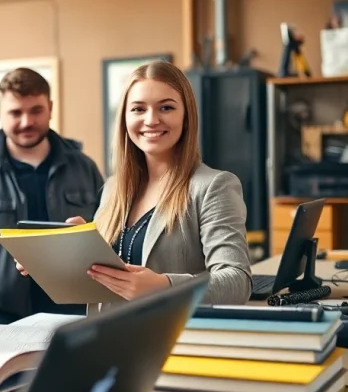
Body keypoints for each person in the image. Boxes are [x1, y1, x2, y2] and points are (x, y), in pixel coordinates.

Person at [20, 61, 252, 307]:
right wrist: (63, 255)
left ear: (186, 115)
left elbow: (236, 283)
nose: (151, 120)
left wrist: (163, 285)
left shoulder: (213, 186)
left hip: (174, 340)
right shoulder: (113, 188)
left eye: (166, 107)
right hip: (110, 337)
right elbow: (105, 279)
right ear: (125, 118)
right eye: (139, 109)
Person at [0, 68, 104, 338]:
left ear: (50, 108)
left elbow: (109, 231)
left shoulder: (84, 168)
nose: (26, 121)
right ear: (0, 113)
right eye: (15, 113)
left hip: (72, 315)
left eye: (36, 110)